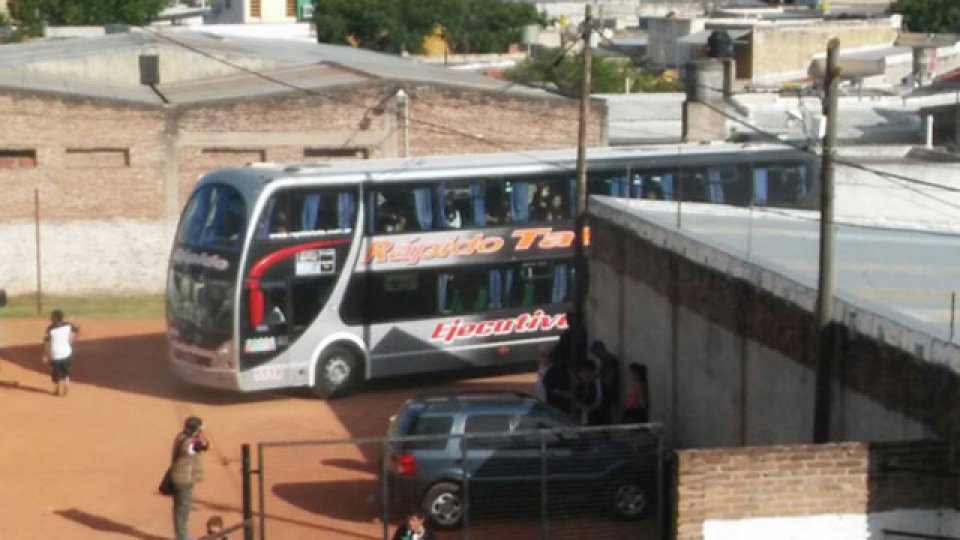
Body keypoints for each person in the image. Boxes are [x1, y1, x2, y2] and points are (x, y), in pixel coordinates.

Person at [171, 416, 211, 540]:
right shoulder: (190, 443)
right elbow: (207, 446)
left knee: (181, 508)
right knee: (183, 510)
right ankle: (182, 537)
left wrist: (198, 432)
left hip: (179, 477)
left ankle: (181, 536)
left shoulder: (181, 436)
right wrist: (202, 432)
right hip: (184, 480)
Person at [41, 309, 78, 397]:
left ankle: (57, 389)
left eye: (52, 317)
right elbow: (75, 330)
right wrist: (71, 338)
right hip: (66, 352)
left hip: (55, 354)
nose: (50, 318)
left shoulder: (50, 329)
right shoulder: (68, 325)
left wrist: (45, 355)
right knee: (66, 370)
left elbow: (46, 343)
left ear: (55, 318)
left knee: (55, 372)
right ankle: (67, 381)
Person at [537, 344, 575, 415]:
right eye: (542, 355)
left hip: (559, 406)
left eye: (546, 355)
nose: (543, 357)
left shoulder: (562, 371)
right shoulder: (546, 369)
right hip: (549, 404)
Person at [589, 340, 620, 424]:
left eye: (594, 352)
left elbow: (610, 377)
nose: (594, 355)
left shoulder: (609, 360)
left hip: (608, 394)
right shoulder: (603, 361)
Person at [572, 360, 607, 426]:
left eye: (582, 372)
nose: (580, 375)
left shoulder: (599, 384)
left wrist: (588, 408)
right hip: (583, 420)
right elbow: (575, 398)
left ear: (589, 372)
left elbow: (599, 402)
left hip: (598, 421)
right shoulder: (581, 385)